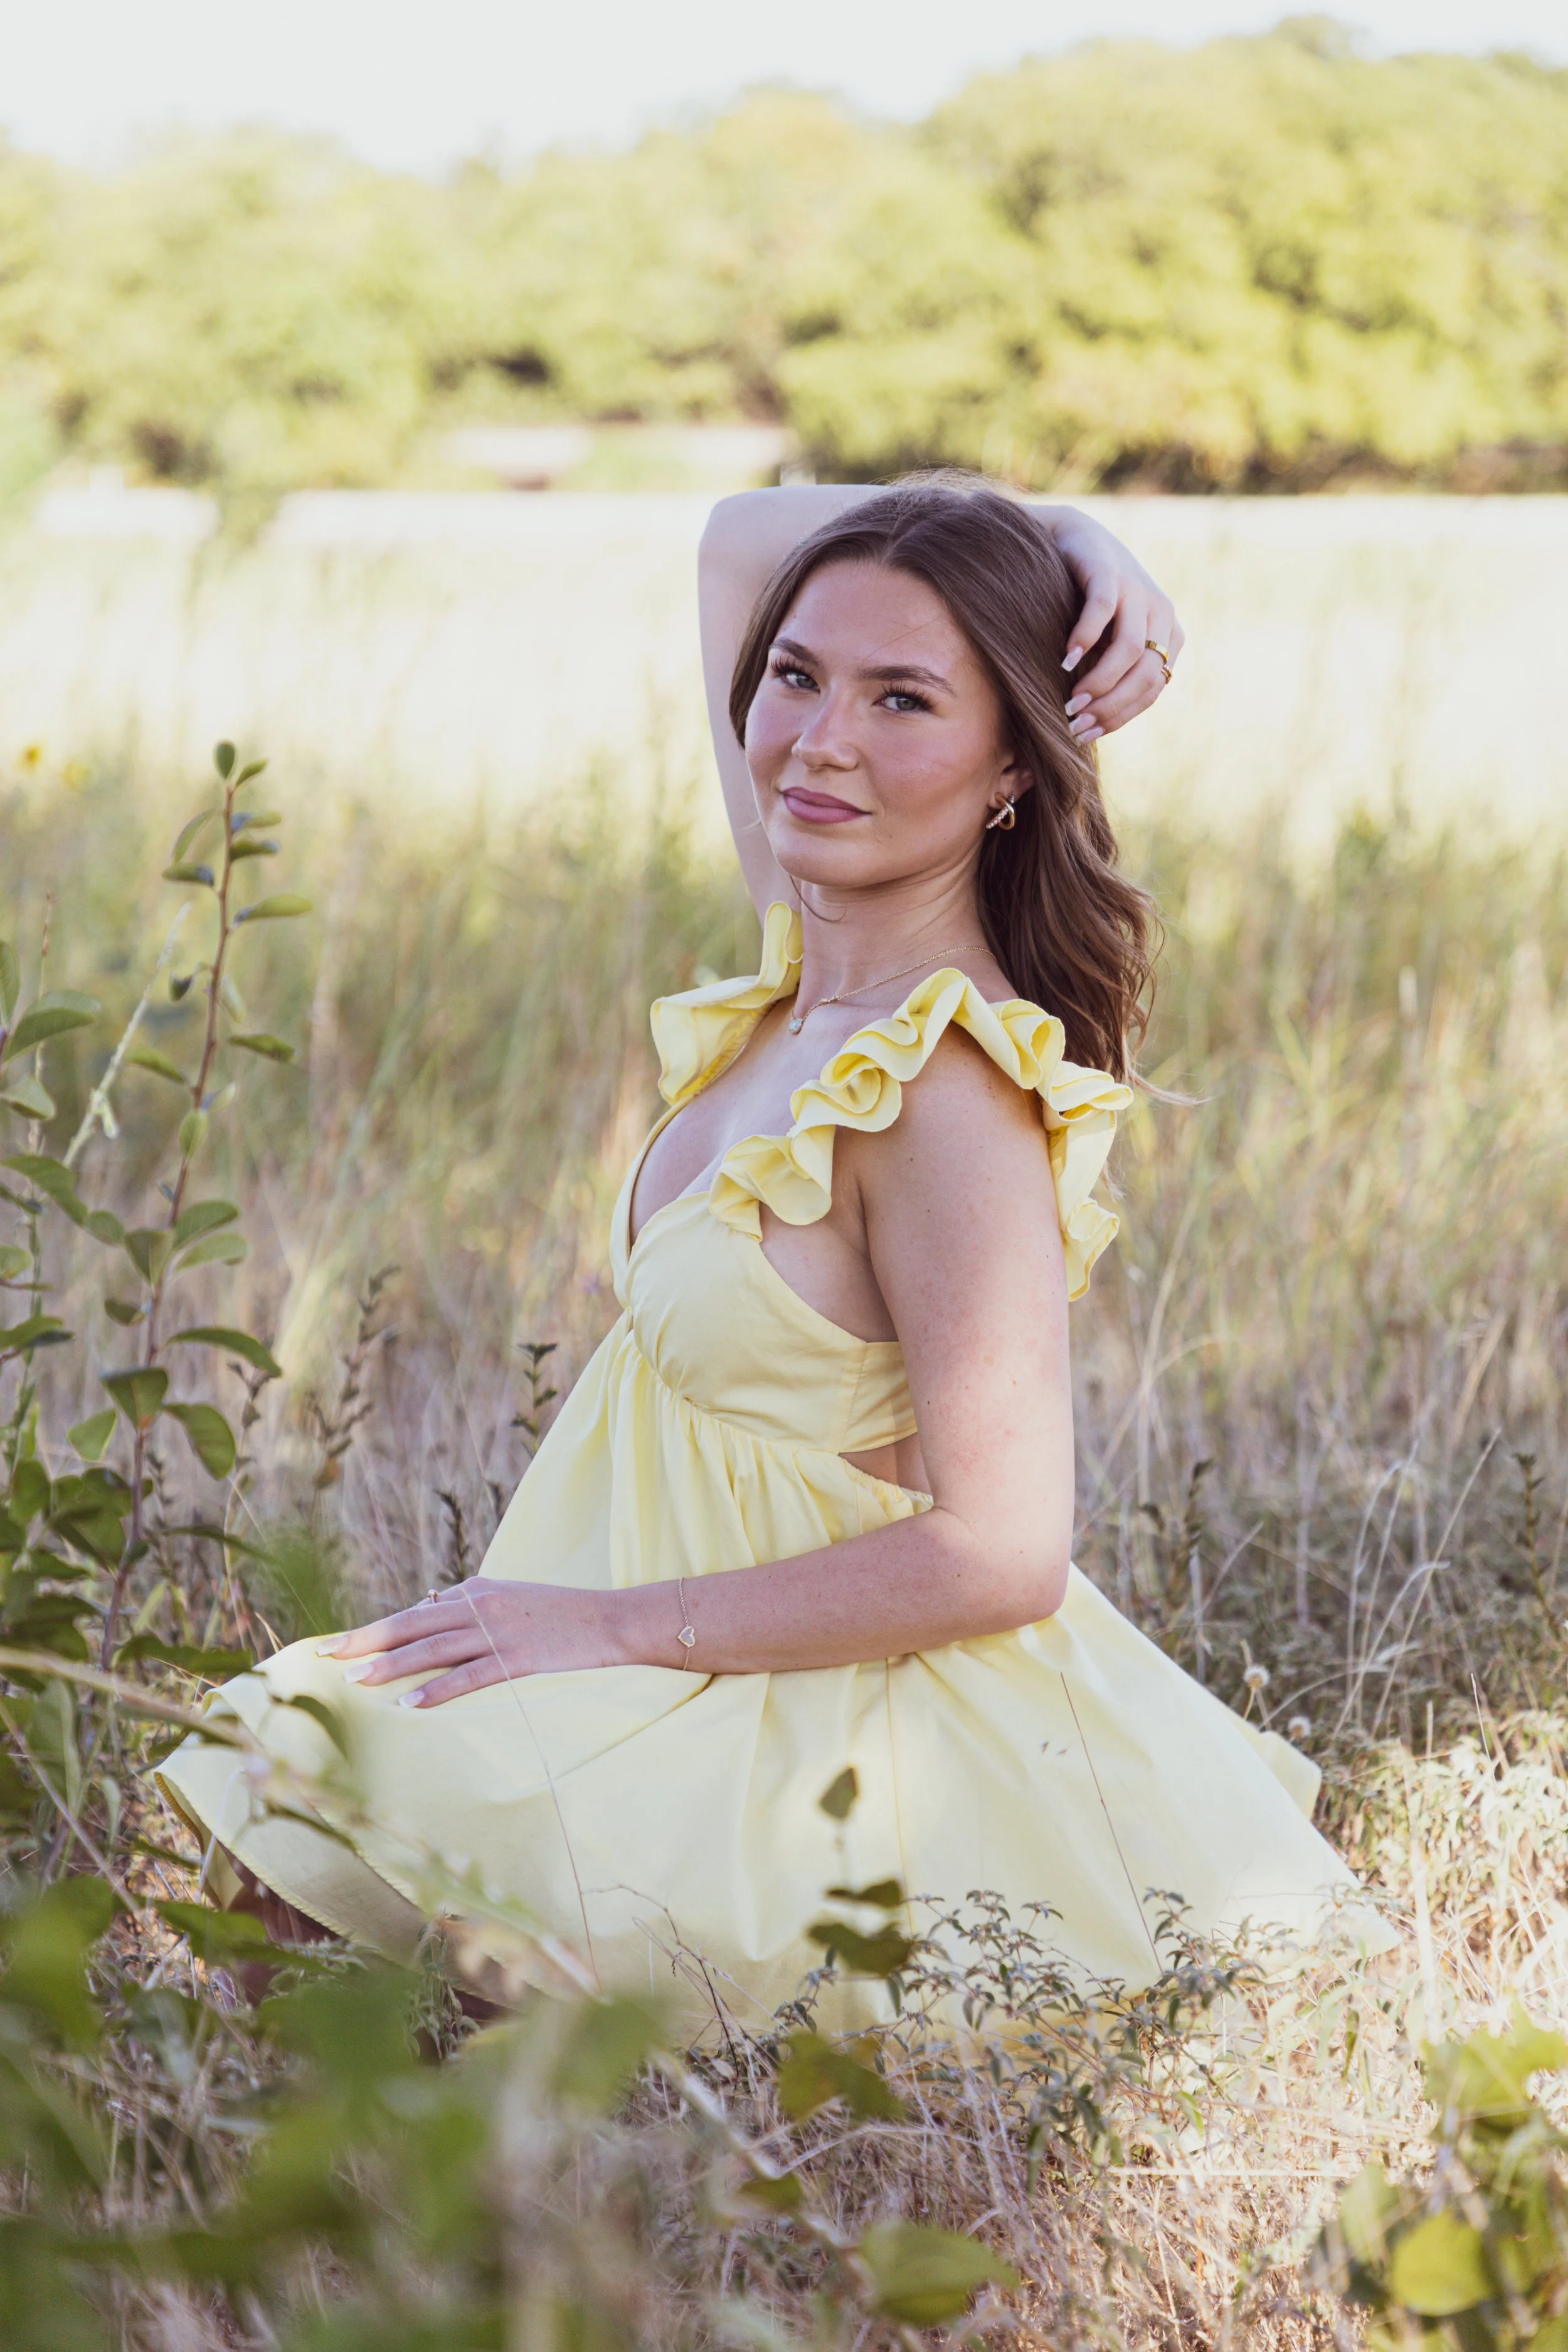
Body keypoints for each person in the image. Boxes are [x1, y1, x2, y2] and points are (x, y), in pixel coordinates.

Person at [158, 478, 1365, 2030]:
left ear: (1010, 767)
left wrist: (590, 1630)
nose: (819, 742)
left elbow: (1002, 1552)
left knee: (303, 1781)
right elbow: (739, 532)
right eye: (796, 675)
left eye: (905, 699)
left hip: (816, 1724)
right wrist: (1064, 532)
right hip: (656, 1665)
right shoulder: (807, 968)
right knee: (282, 1795)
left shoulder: (939, 1096)